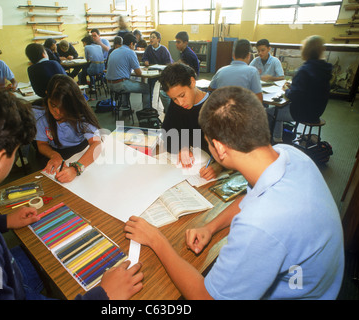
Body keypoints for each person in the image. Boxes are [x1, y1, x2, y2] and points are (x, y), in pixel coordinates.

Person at [125, 85, 344, 300]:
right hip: (318, 285)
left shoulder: (258, 225)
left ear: (219, 148)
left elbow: (205, 297)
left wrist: (157, 240)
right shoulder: (290, 154)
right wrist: (210, 227)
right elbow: (251, 196)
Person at [0, 83, 143, 300]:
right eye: (15, 151)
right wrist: (101, 296)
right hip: (2, 283)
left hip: (1, 272)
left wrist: (1, 222)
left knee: (46, 253)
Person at [34, 74, 102, 183]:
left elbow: (96, 144)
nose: (57, 112)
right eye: (53, 105)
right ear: (47, 96)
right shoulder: (41, 115)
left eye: (63, 108)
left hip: (80, 152)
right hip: (55, 153)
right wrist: (54, 155)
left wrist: (76, 169)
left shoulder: (81, 114)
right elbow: (41, 144)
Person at [160, 62, 221, 180]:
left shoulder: (217, 107)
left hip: (211, 169)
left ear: (192, 82)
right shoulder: (176, 105)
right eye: (174, 99)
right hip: (189, 171)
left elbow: (236, 149)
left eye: (182, 95)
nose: (180, 103)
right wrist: (182, 147)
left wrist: (219, 166)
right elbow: (167, 132)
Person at [267, 35, 332, 143]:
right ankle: (277, 138)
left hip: (302, 112)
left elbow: (294, 95)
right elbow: (310, 89)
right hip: (316, 112)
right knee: (278, 111)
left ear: (306, 51)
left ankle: (273, 141)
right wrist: (293, 87)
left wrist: (287, 91)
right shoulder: (323, 68)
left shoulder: (305, 70)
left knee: (268, 112)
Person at [106, 33, 151, 109]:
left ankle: (125, 106)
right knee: (147, 88)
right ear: (131, 44)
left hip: (109, 84)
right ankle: (146, 112)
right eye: (134, 45)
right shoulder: (130, 52)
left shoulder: (114, 51)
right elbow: (139, 73)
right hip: (120, 85)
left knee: (127, 80)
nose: (134, 47)